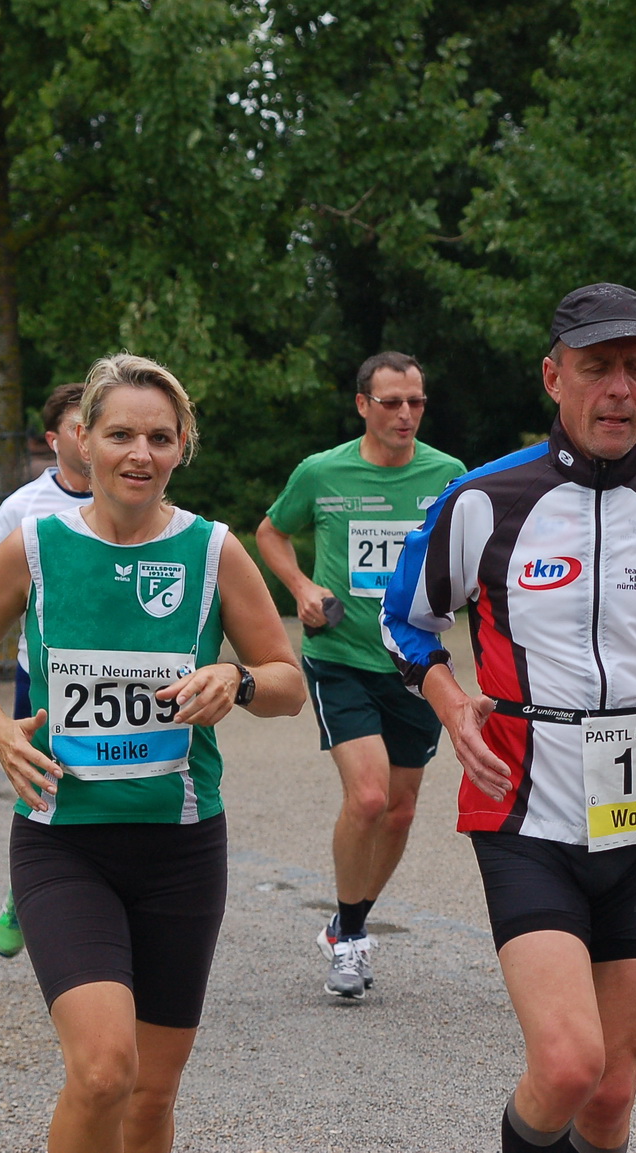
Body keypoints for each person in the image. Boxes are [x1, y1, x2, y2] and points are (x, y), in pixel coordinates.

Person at [382, 283, 636, 1153]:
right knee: (567, 1065)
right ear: (553, 378)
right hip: (526, 808)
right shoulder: (484, 499)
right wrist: (448, 700)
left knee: (612, 1092)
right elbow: (404, 619)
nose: (620, 389)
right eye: (597, 368)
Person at [0, 354, 305, 1153]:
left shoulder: (213, 549)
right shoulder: (36, 545)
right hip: (63, 841)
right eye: (121, 435)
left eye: (160, 437)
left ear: (180, 448)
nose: (140, 452)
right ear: (83, 438)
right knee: (104, 1069)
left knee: (150, 1094)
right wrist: (0, 731)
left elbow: (288, 682)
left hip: (181, 849)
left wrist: (236, 679)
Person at [255, 351, 464, 1000]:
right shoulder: (322, 472)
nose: (406, 414)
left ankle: (350, 919)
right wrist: (300, 586)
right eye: (391, 402)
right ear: (362, 405)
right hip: (340, 655)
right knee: (370, 797)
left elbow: (472, 553)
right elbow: (271, 532)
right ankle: (349, 937)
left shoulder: (448, 475)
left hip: (415, 663)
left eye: (416, 402)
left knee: (400, 811)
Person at [0, 383, 94, 958]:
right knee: (43, 783)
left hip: (128, 676)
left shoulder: (140, 498)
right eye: (79, 425)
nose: (90, 436)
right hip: (44, 676)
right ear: (54, 439)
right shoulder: (22, 508)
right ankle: (22, 889)